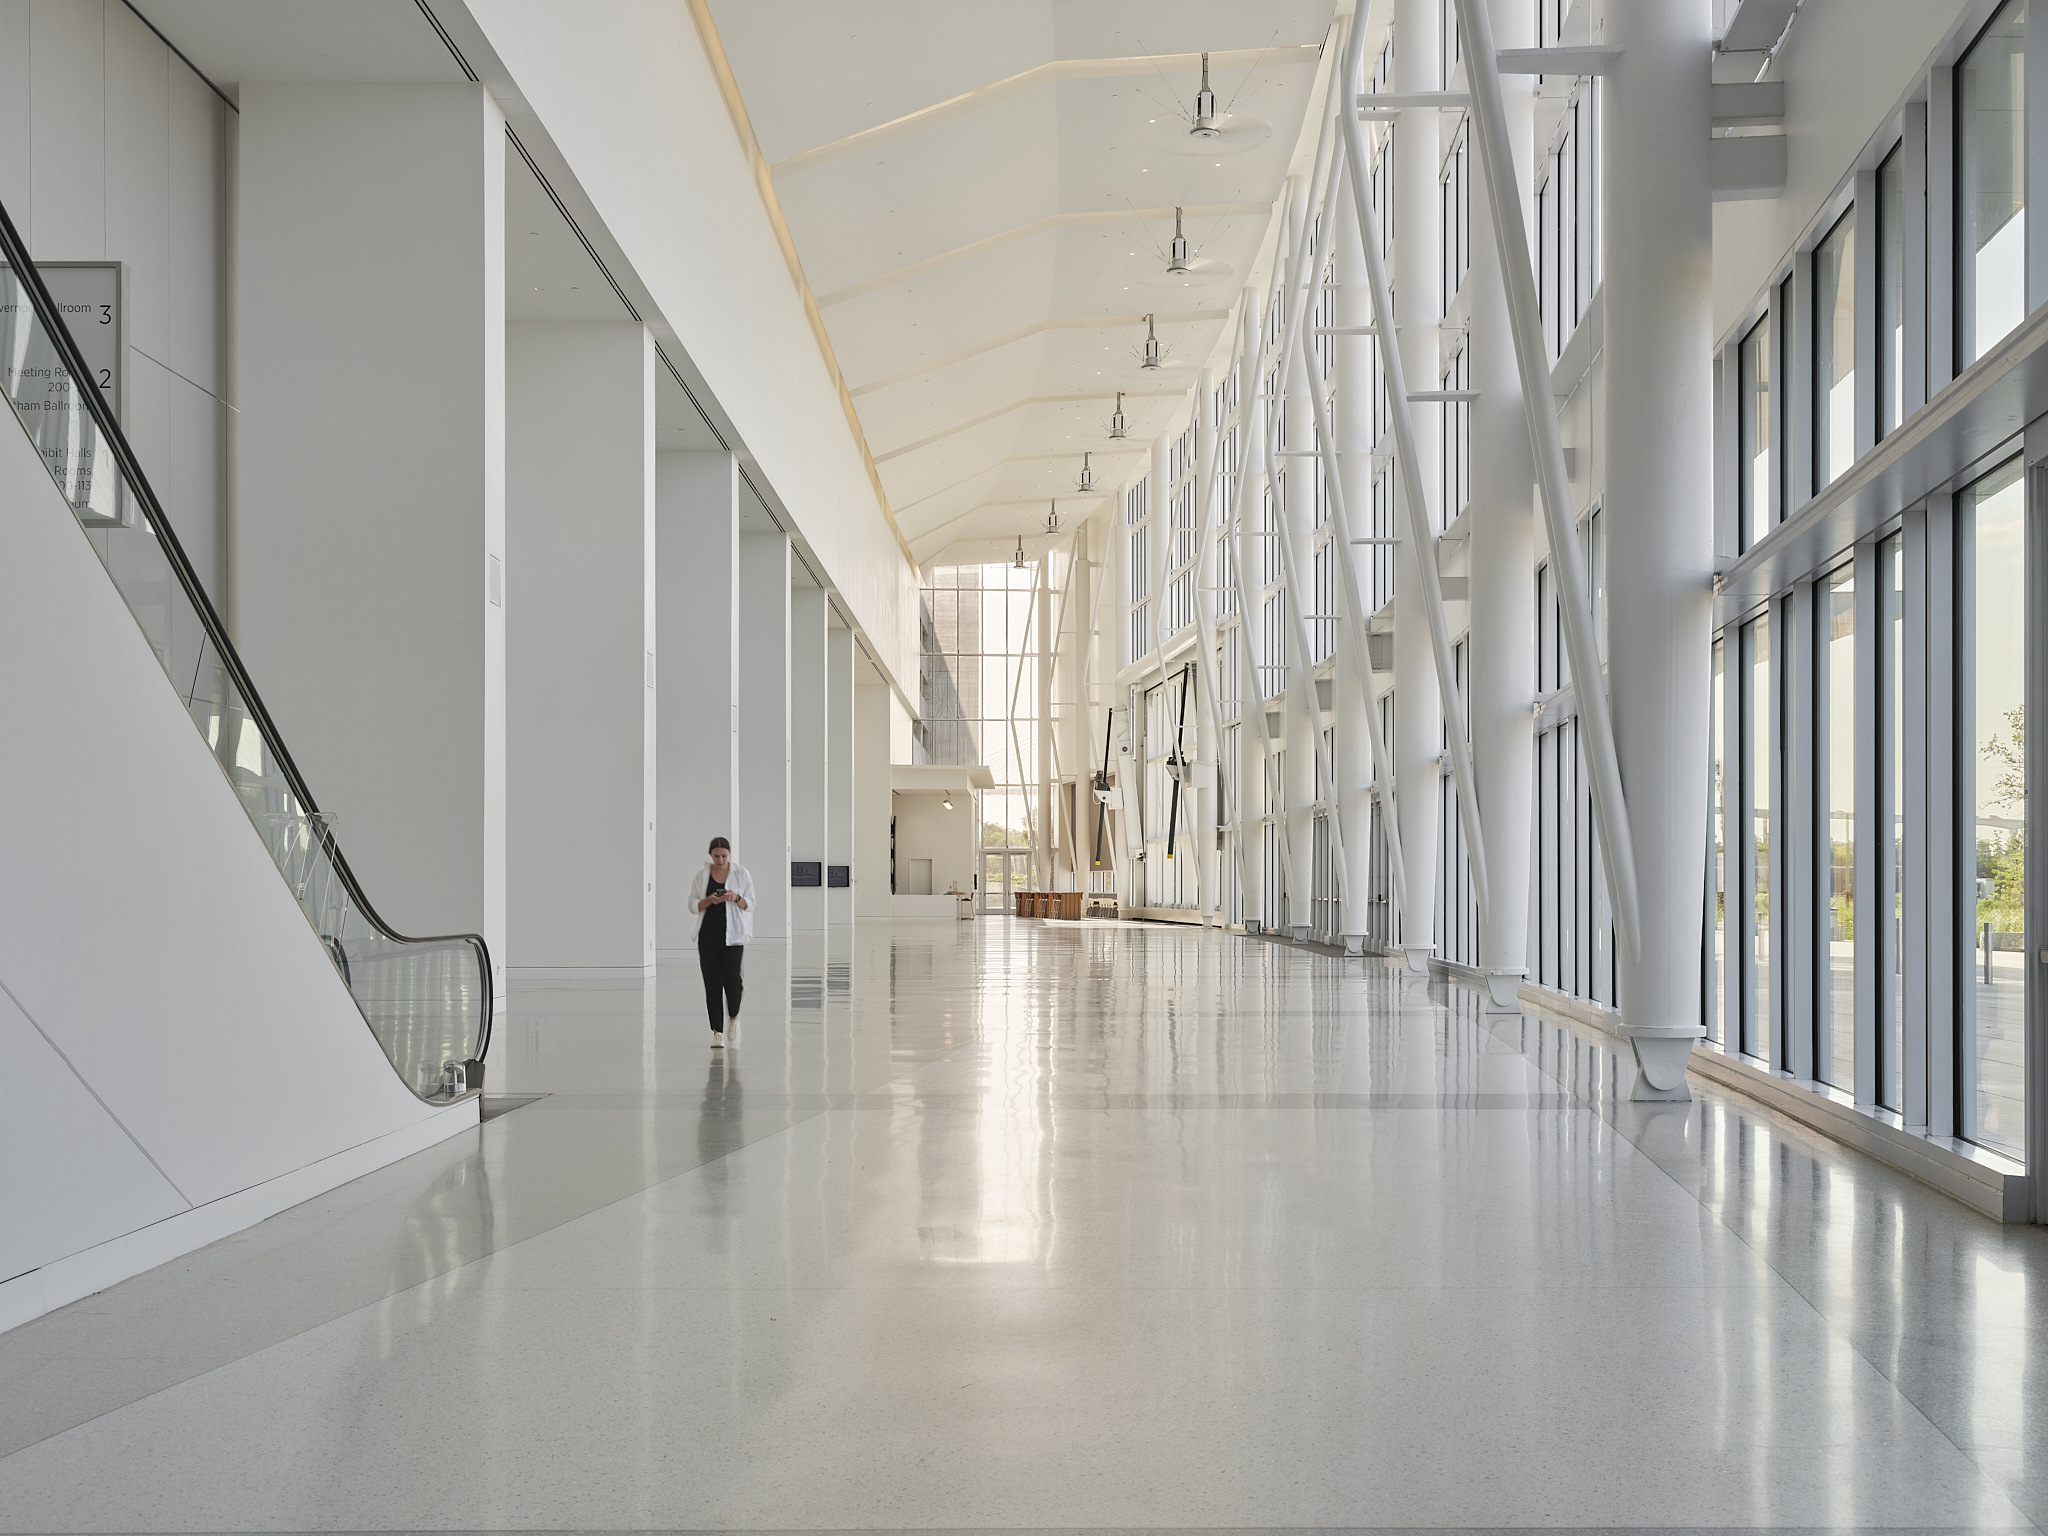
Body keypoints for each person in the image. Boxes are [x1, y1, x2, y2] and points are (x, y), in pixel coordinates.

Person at [688, 837, 753, 1047]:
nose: (720, 860)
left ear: (730, 853)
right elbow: (692, 905)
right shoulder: (701, 876)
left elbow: (750, 905)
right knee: (712, 983)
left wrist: (735, 897)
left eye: (724, 856)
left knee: (733, 981)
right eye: (716, 856)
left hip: (733, 937)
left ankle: (734, 1017)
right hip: (708, 937)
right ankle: (717, 1031)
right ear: (710, 855)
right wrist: (710, 899)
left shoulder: (741, 874)